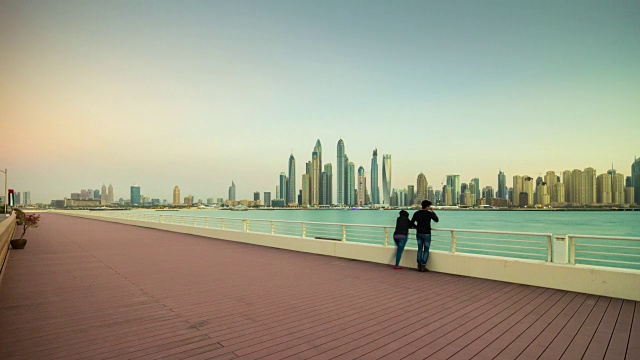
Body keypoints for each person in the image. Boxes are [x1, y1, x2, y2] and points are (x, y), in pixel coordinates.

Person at [411, 200, 439, 272]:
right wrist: (432, 211)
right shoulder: (429, 213)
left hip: (419, 233)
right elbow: (436, 220)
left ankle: (419, 265)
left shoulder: (416, 213)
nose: (429, 207)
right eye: (429, 206)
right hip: (427, 233)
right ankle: (423, 265)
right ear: (427, 206)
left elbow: (411, 222)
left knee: (420, 249)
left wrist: (417, 227)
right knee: (426, 250)